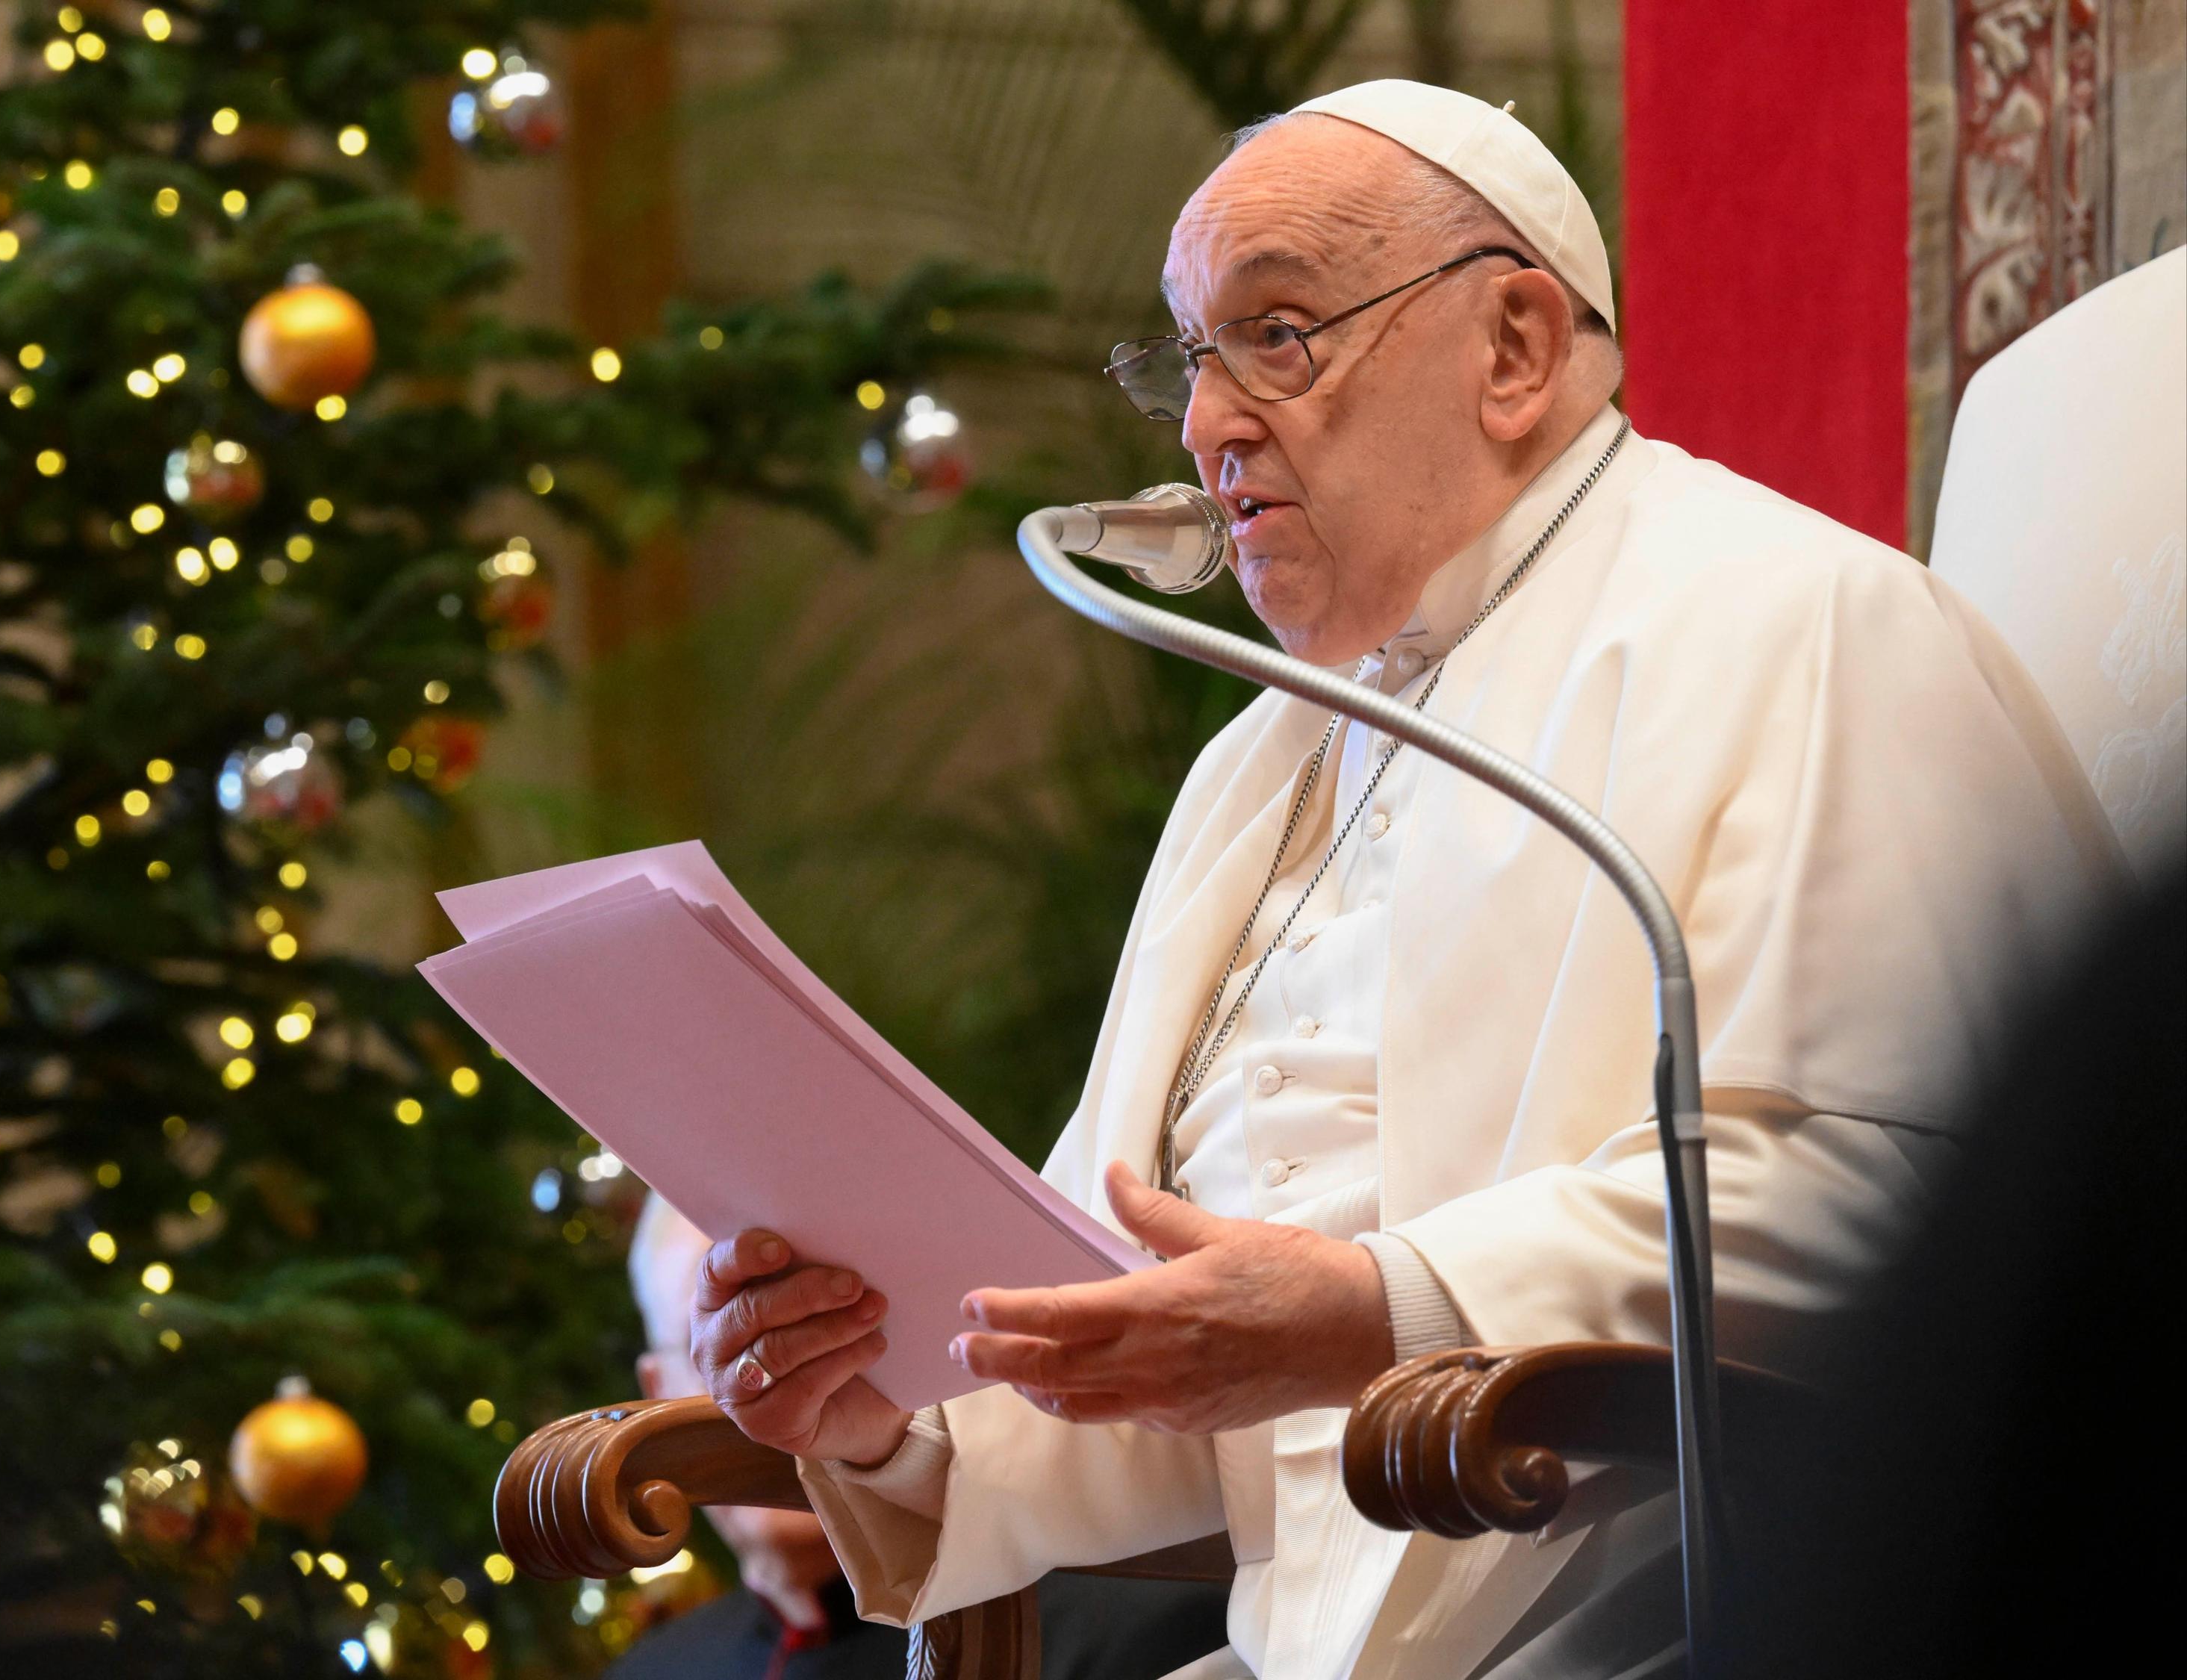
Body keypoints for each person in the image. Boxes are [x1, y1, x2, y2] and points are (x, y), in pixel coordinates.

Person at [682, 79, 2122, 1679]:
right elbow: (1152, 1352)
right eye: (1185, 359)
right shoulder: (1261, 763)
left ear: (1510, 348)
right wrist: (881, 1419)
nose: (1203, 424)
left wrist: (1387, 1307)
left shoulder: (1807, 627)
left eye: (1276, 335)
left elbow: (1929, 1206)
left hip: (1695, 1615)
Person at [613, 1196, 1227, 1680]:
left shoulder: (1134, 1626)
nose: (780, 1395)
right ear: (657, 1386)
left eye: (811, 1335)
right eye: (722, 1351)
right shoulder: (650, 1671)